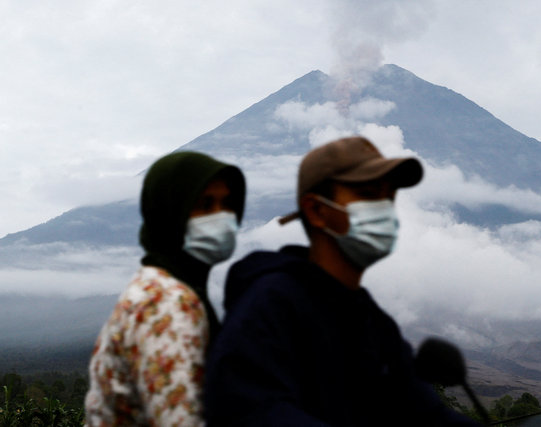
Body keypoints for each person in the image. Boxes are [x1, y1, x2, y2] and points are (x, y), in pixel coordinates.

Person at [205, 137, 478, 426]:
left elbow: (424, 413)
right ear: (316, 210)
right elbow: (255, 412)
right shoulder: (270, 305)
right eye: (369, 194)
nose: (384, 209)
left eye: (389, 197)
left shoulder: (370, 320)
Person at [85, 151, 245, 426]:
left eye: (227, 204)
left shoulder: (157, 286)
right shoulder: (167, 304)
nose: (222, 218)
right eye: (205, 205)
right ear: (170, 213)